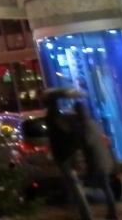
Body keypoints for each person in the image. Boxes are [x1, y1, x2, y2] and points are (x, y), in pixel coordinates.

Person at [45, 91, 92, 220]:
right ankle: (79, 212)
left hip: (64, 155)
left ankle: (85, 214)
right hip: (70, 153)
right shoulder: (66, 119)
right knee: (73, 183)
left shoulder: (53, 119)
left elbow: (56, 138)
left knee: (74, 184)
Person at [75, 101, 118, 220]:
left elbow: (88, 142)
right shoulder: (94, 123)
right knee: (105, 186)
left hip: (97, 160)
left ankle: (111, 212)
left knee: (104, 186)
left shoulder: (86, 126)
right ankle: (111, 212)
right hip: (103, 159)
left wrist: (80, 138)